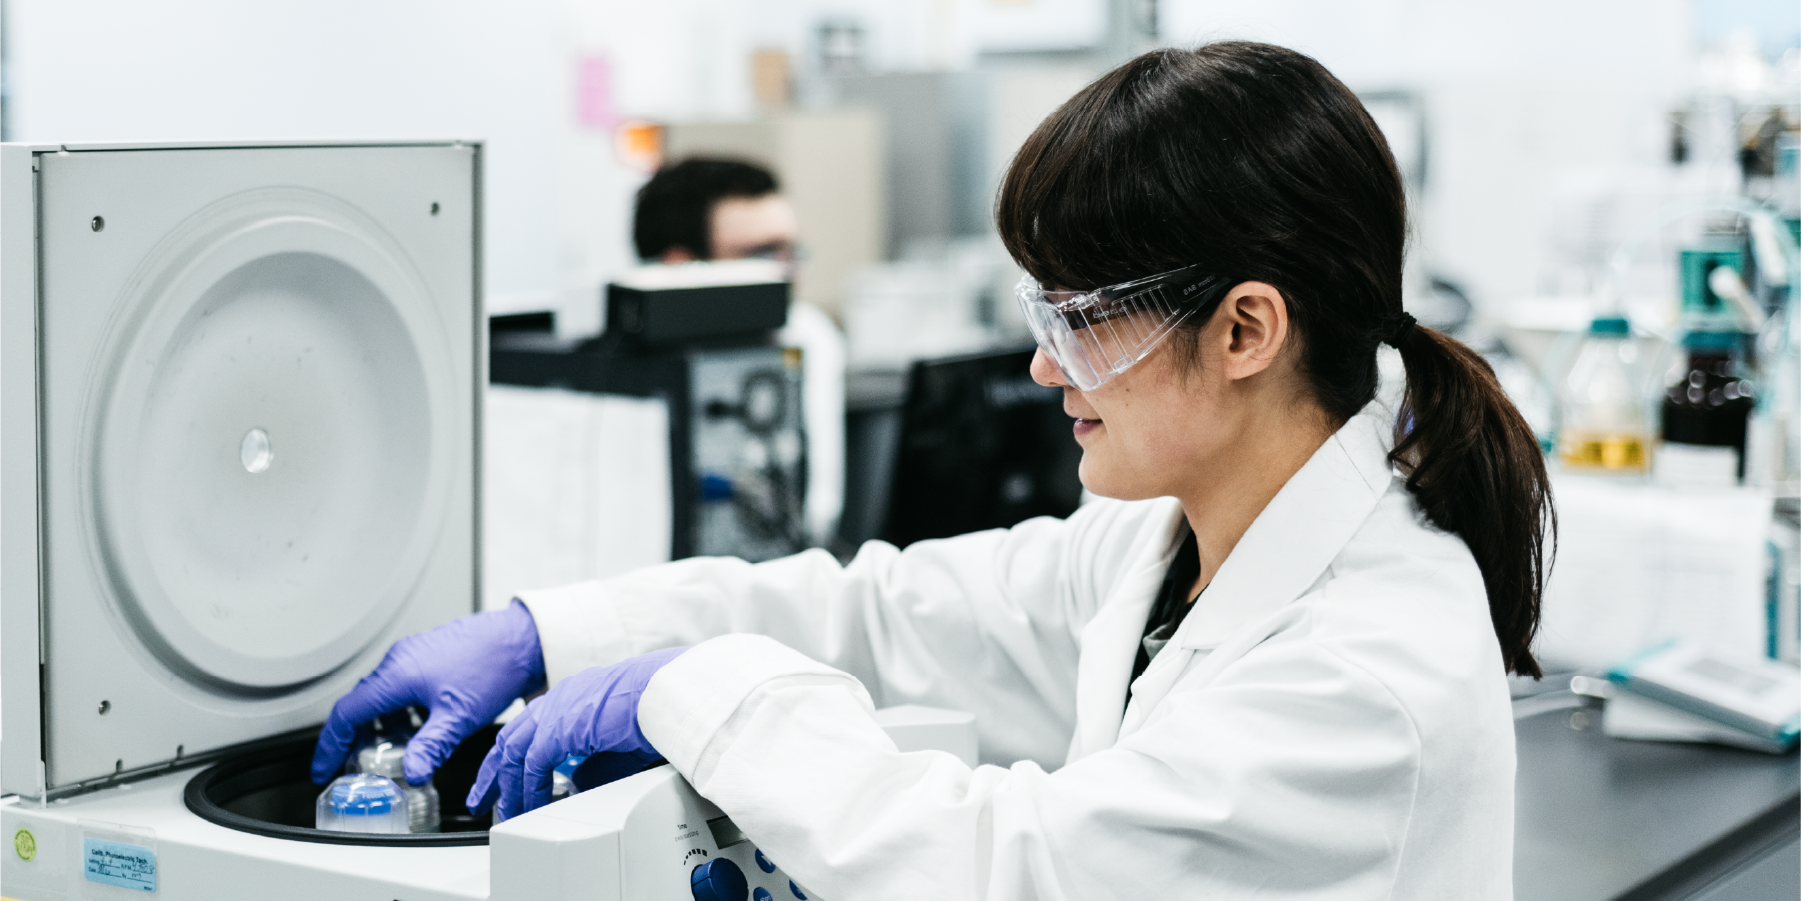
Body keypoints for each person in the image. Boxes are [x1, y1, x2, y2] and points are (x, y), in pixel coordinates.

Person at [314, 42, 1551, 899]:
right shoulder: (1167, 544)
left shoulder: (1362, 672)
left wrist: (696, 686)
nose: (1039, 363)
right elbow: (885, 612)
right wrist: (557, 630)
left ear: (1245, 330)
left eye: (1081, 317)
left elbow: (1012, 869)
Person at [633, 157, 846, 546]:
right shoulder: (623, 374)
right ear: (680, 266)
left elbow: (818, 514)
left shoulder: (808, 335)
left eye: (791, 251)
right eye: (763, 254)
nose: (789, 273)